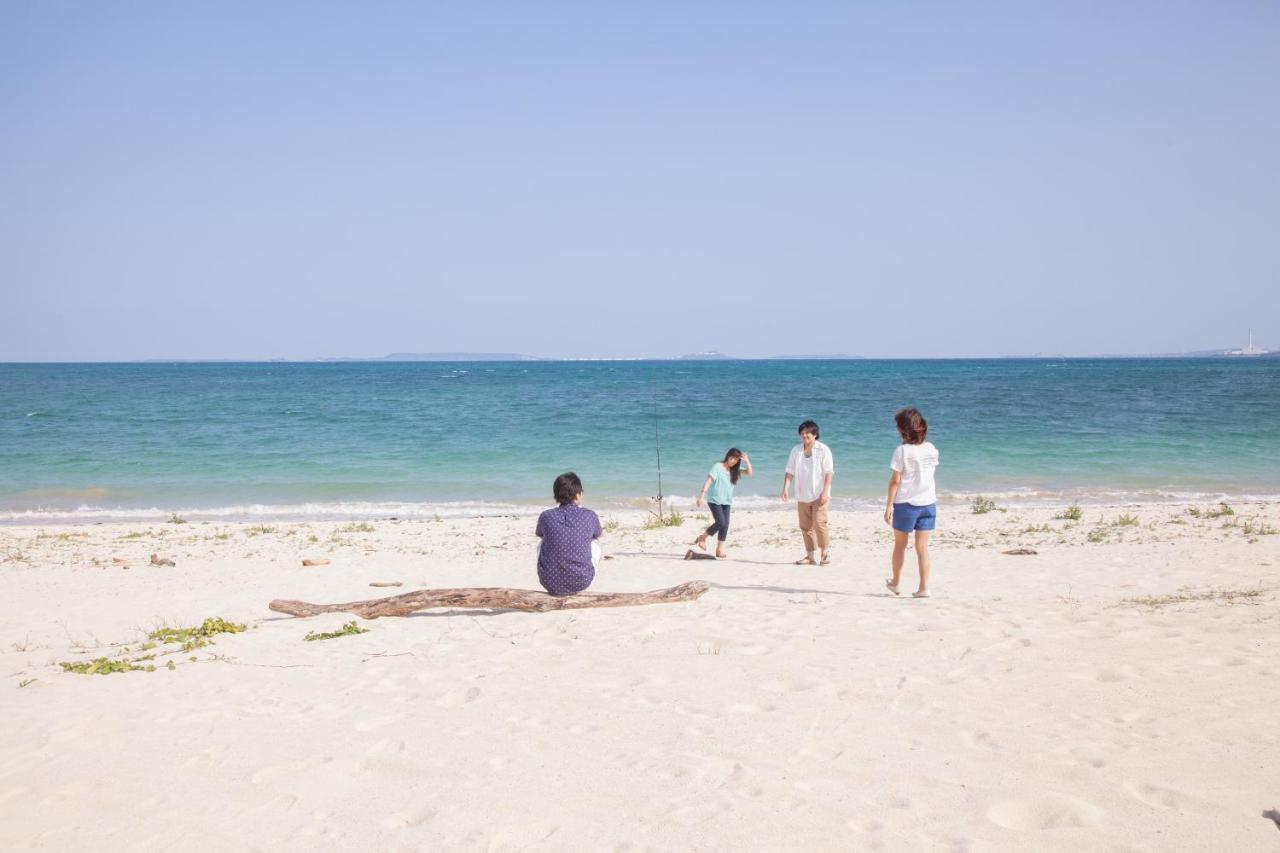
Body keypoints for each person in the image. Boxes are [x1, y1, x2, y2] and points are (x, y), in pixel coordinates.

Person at [883, 407, 939, 598]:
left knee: (900, 545)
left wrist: (889, 505)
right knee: (922, 547)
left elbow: (895, 481)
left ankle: (896, 583)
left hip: (906, 503)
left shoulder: (902, 451)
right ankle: (924, 587)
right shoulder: (931, 448)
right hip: (928, 502)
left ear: (904, 429)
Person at [535, 472, 603, 596]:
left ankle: (555, 572)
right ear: (578, 495)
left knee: (542, 541)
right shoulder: (590, 515)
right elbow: (598, 533)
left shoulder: (546, 516)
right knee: (595, 543)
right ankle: (579, 573)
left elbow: (539, 534)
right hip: (582, 582)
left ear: (556, 495)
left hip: (549, 582)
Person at [781, 420, 834, 565]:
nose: (804, 436)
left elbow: (829, 473)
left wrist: (825, 492)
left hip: (819, 494)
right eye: (802, 433)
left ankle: (825, 554)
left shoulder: (823, 450)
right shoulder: (796, 450)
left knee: (819, 523)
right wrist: (785, 488)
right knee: (805, 527)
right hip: (802, 494)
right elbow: (789, 471)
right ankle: (810, 556)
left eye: (807, 433)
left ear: (815, 435)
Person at [693, 448, 752, 558]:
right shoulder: (717, 467)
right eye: (732, 458)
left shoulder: (735, 470)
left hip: (726, 501)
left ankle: (719, 549)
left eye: (736, 459)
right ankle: (703, 538)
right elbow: (708, 481)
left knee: (725, 525)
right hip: (714, 500)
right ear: (728, 456)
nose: (734, 461)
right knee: (720, 522)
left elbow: (749, 473)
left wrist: (747, 461)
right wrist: (701, 496)